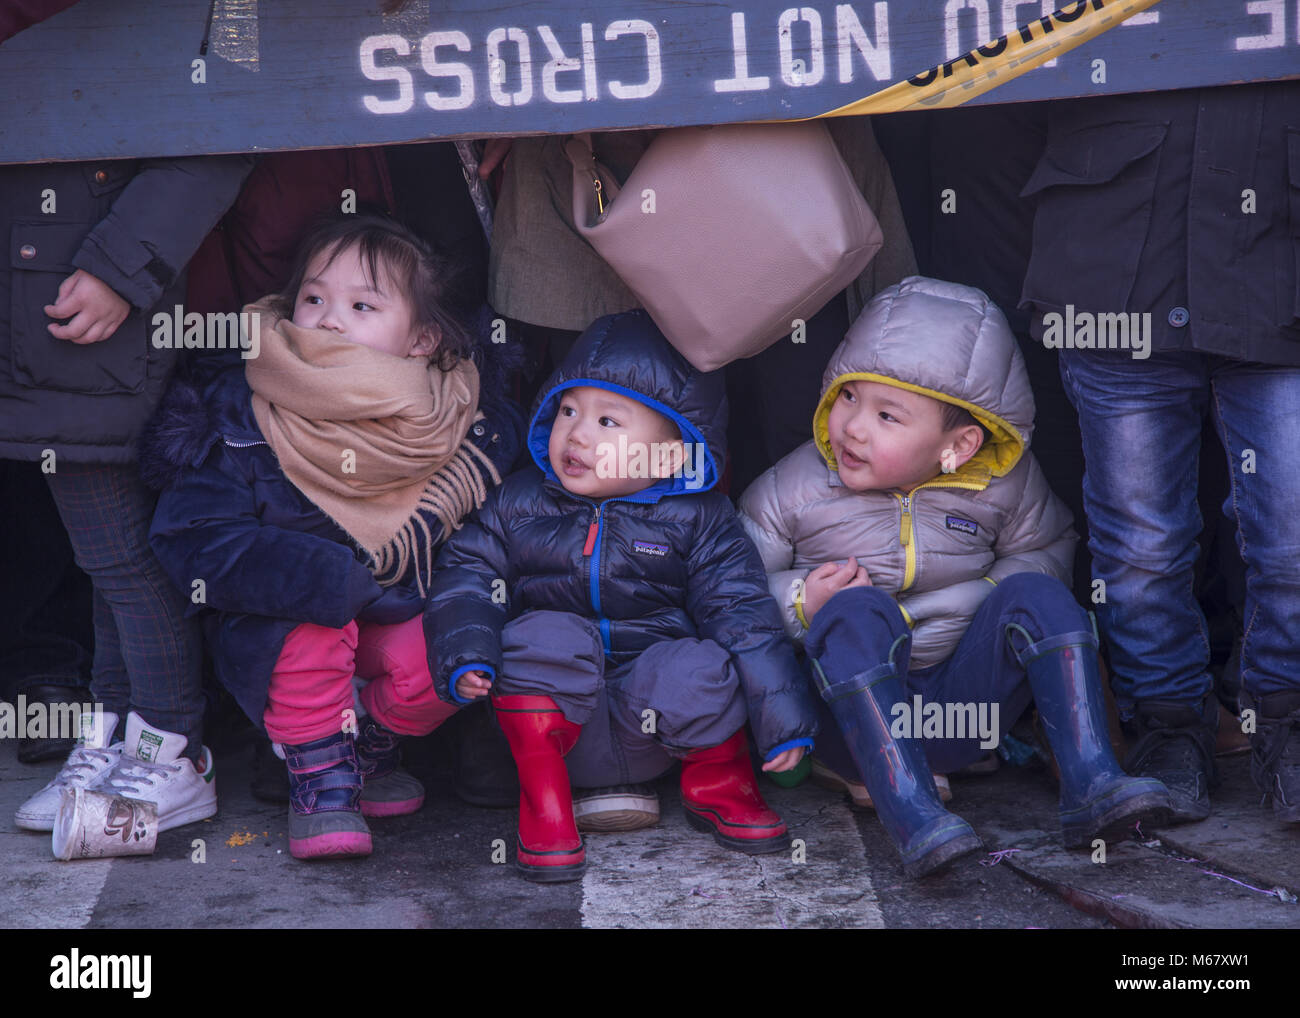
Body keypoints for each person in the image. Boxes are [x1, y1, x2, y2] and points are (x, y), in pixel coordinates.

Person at [739, 276, 1173, 879]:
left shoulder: (1005, 486)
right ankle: (914, 816)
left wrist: (978, 601)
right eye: (847, 398)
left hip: (960, 713)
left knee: (1038, 595)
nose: (853, 428)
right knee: (853, 612)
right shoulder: (793, 487)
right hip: (844, 726)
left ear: (960, 445)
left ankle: (1094, 781)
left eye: (887, 415)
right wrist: (799, 600)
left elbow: (1050, 546)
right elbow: (730, 591)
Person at [144, 214, 520, 859]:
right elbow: (192, 536)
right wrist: (326, 577)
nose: (330, 319)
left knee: (458, 643)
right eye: (314, 298)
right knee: (315, 624)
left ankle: (366, 742)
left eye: (362, 305)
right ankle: (321, 781)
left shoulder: (463, 419)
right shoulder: (239, 407)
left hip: (397, 614)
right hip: (282, 631)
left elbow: (485, 543)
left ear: (422, 339)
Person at [426, 309, 816, 883]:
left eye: (608, 421)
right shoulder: (519, 501)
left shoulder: (699, 519)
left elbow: (743, 616)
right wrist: (467, 651)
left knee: (701, 663)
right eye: (566, 411)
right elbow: (466, 573)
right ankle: (547, 813)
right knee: (538, 635)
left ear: (672, 449)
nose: (577, 434)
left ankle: (721, 784)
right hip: (555, 738)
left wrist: (783, 720)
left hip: (657, 733)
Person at [1017, 82, 1300, 825]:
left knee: (1294, 530)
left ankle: (1289, 724)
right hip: (1113, 250)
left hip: (1281, 247)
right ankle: (1168, 728)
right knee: (1140, 545)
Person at [6, 154, 254, 835]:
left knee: (121, 559)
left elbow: (225, 108)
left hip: (81, 302)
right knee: (104, 562)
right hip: (48, 300)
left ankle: (171, 753)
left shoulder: (215, 42)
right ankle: (114, 738)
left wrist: (122, 266)